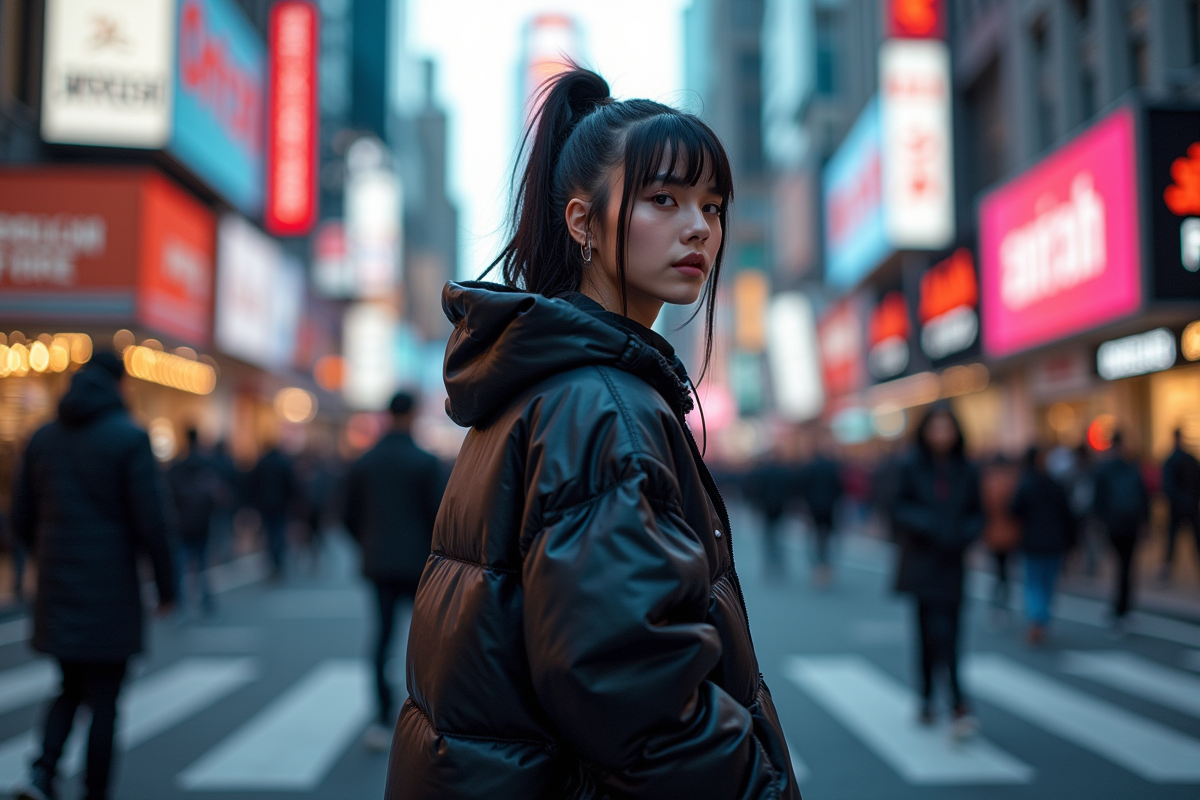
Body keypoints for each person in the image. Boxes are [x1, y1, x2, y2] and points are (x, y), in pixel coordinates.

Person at [388, 68, 800, 799]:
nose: (699, 226)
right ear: (582, 221)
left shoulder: (543, 380)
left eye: (712, 205)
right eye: (663, 199)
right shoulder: (602, 403)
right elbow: (631, 688)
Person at [10, 352, 176, 800]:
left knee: (68, 684)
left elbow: (21, 518)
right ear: (120, 384)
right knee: (105, 698)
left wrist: (45, 556)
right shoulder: (129, 439)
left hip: (58, 586)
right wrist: (167, 587)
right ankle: (94, 790)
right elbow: (152, 522)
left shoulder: (43, 438)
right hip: (112, 590)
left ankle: (42, 773)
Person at [343, 392, 443, 751]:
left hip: (379, 562)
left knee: (382, 636)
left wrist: (368, 544)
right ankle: (429, 715)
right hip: (421, 564)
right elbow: (440, 518)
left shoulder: (365, 462)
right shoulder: (426, 462)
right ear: (413, 415)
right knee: (427, 641)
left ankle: (382, 717)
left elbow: (346, 516)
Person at [892, 402, 983, 739]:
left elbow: (977, 512)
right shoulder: (911, 467)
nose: (942, 434)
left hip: (953, 562)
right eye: (936, 427)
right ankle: (937, 697)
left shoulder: (966, 469)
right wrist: (930, 526)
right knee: (929, 633)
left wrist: (963, 534)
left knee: (951, 632)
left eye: (947, 427)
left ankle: (948, 698)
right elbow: (897, 507)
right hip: (922, 563)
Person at [1009, 446, 1076, 645]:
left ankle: (1037, 620)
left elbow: (1014, 510)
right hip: (1055, 543)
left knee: (1034, 583)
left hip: (1033, 542)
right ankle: (1042, 620)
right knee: (1047, 584)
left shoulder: (1026, 484)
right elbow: (1068, 516)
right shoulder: (1056, 485)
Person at [1093, 431, 1149, 628]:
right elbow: (1144, 497)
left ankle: (1118, 607)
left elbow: (1097, 499)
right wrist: (1145, 523)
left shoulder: (1104, 468)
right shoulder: (1132, 466)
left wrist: (1097, 522)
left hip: (1113, 524)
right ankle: (1126, 607)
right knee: (1127, 566)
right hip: (1131, 524)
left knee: (1118, 566)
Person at [167, 428, 222, 617]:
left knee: (181, 568)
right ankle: (207, 602)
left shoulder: (177, 467)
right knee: (203, 565)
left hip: (181, 524)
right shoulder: (206, 466)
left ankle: (181, 605)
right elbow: (216, 496)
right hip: (202, 523)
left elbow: (168, 496)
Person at [246, 440, 299, 580]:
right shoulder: (283, 462)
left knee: (270, 534)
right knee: (278, 534)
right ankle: (277, 563)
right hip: (280, 505)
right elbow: (292, 484)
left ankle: (274, 562)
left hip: (265, 505)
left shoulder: (262, 463)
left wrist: (253, 503)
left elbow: (252, 484)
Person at [979, 454, 1021, 619]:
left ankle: (997, 602)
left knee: (998, 569)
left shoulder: (988, 482)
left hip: (993, 533)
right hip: (1012, 533)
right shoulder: (1014, 482)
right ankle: (1003, 602)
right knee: (1006, 570)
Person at [1160, 428, 1200, 582]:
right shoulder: (1190, 458)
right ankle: (1166, 569)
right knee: (1194, 539)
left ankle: (1166, 570)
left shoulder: (1172, 459)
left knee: (1172, 540)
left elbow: (1167, 485)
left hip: (1178, 506)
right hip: (1189, 505)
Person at [803, 446, 843, 587]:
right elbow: (839, 488)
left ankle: (818, 566)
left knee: (814, 537)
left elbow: (804, 488)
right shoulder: (832, 468)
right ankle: (826, 565)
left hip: (814, 508)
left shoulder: (810, 468)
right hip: (829, 507)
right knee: (827, 536)